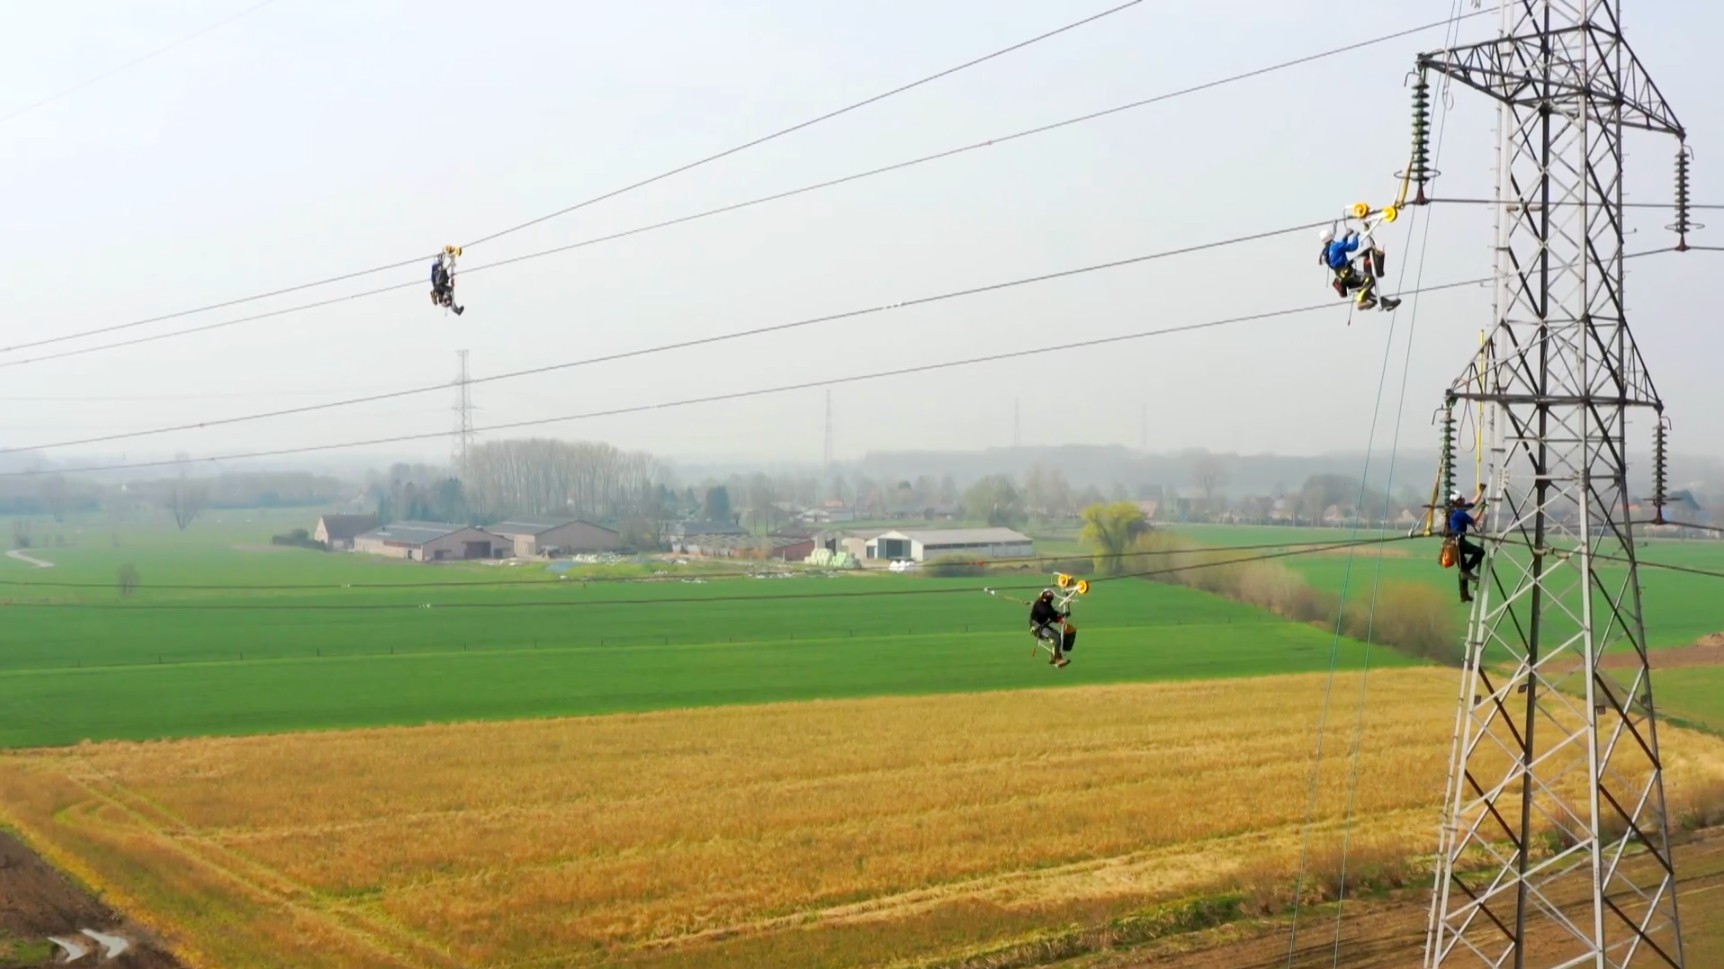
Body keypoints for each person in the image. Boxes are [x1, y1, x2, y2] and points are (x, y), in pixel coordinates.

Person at [1318, 225, 1401, 312]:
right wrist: (1355, 236)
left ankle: (1386, 304)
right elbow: (1352, 247)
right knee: (1370, 279)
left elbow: (1342, 246)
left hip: (1341, 277)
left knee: (1366, 291)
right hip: (1348, 273)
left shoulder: (1328, 250)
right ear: (1331, 236)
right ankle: (1360, 298)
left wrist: (1346, 236)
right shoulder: (1335, 246)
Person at [1448, 491, 1486, 603]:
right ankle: (1467, 571)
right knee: (1480, 551)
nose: (1464, 500)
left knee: (1462, 569)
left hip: (1453, 543)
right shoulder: (1460, 513)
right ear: (1458, 501)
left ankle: (1463, 595)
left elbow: (1472, 504)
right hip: (1460, 541)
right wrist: (1482, 509)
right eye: (1462, 499)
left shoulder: (1453, 511)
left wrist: (1480, 493)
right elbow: (1474, 521)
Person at [1030, 588, 1075, 667]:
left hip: (1042, 626)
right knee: (1055, 637)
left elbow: (1052, 617)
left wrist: (1060, 617)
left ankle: (1053, 656)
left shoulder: (1047, 605)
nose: (1046, 601)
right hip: (1037, 628)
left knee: (1057, 636)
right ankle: (1057, 659)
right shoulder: (1039, 604)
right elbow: (1046, 612)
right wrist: (1058, 614)